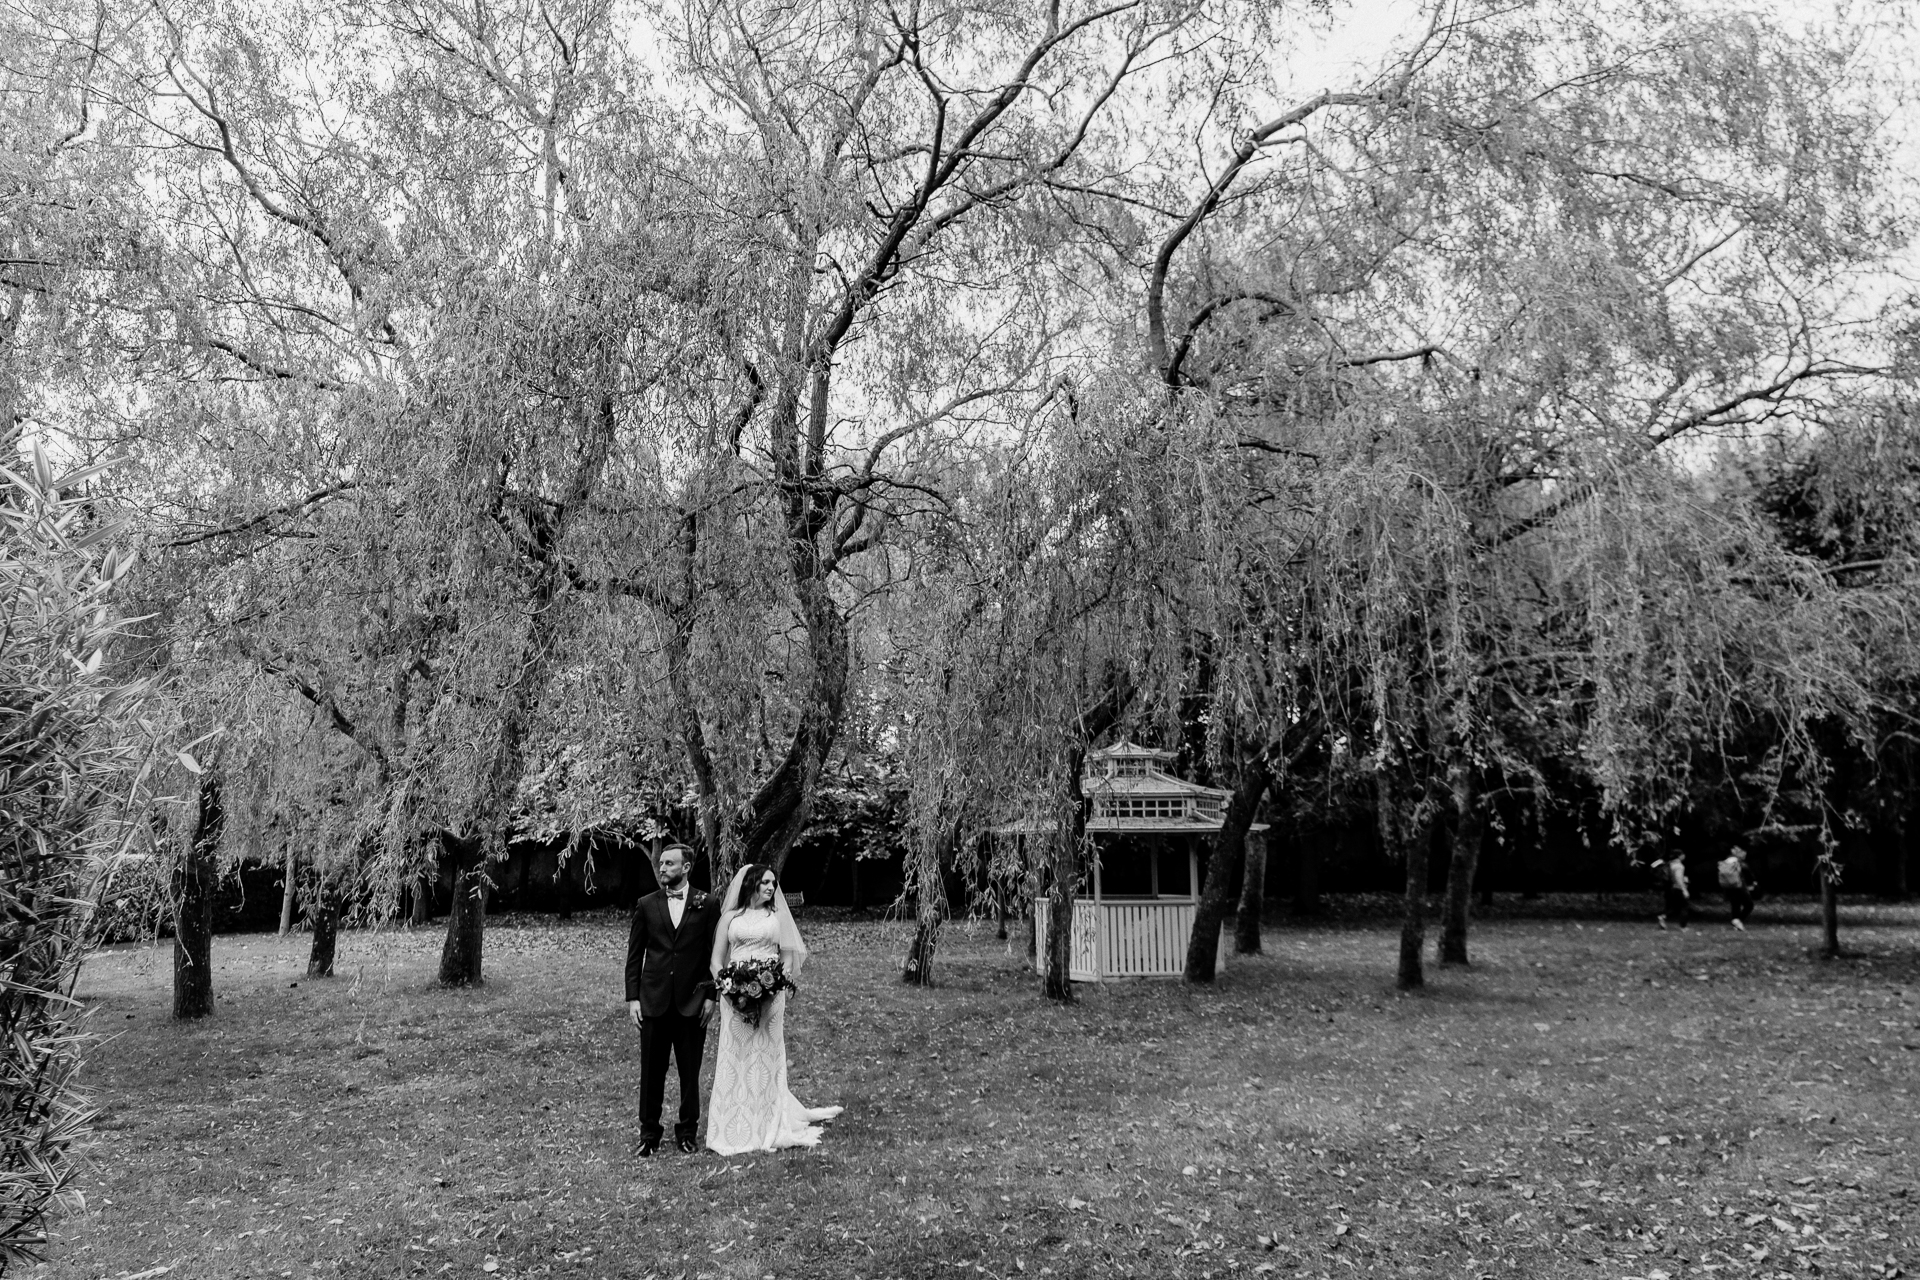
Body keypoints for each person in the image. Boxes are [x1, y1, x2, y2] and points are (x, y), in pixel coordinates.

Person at [706, 863, 843, 1155]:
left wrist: (770, 989)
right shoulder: (730, 918)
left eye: (773, 883)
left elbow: (788, 961)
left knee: (765, 1056)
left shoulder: (778, 917)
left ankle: (767, 1122)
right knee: (736, 1056)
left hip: (770, 998)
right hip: (733, 999)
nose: (771, 888)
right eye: (765, 882)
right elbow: (716, 961)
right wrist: (729, 990)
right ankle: (733, 1125)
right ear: (751, 884)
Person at [624, 844, 722, 1156]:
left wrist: (711, 997)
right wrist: (633, 998)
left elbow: (713, 955)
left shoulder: (707, 904)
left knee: (689, 1072)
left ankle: (687, 1132)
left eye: (669, 863)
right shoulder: (646, 904)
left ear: (687, 867)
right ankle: (649, 1134)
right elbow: (634, 955)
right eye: (661, 863)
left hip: (692, 1003)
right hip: (652, 1001)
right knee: (651, 1071)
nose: (663, 868)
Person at [1718, 846, 1754, 931]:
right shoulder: (1738, 862)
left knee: (1735, 905)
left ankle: (1737, 925)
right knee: (1749, 904)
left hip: (1728, 887)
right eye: (1742, 852)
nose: (1744, 854)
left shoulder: (1726, 861)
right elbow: (1747, 873)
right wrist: (1753, 882)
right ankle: (1737, 920)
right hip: (1738, 886)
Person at [1656, 854, 1690, 930]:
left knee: (1675, 907)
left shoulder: (1670, 864)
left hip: (1671, 888)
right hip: (1678, 888)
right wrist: (1684, 889)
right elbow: (1678, 878)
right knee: (1684, 907)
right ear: (1680, 856)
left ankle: (1663, 916)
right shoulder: (1679, 866)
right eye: (1683, 854)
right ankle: (1683, 926)